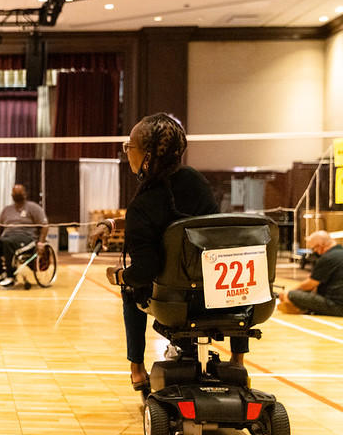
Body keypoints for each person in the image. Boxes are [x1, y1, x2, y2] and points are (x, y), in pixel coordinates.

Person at [89, 113, 248, 395]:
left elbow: (145, 270)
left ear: (147, 155)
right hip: (217, 297)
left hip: (174, 303)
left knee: (129, 287)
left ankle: (137, 370)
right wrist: (113, 223)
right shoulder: (195, 181)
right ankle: (237, 361)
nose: (127, 152)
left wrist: (118, 275)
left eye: (130, 146)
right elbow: (192, 224)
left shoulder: (144, 203)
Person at [0, 184, 49, 287]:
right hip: (7, 237)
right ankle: (0, 274)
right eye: (15, 193)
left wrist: (41, 242)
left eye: (19, 193)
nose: (16, 195)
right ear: (12, 195)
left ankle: (11, 276)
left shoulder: (33, 208)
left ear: (25, 194)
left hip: (26, 238)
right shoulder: (6, 210)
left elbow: (44, 226)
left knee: (8, 243)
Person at [278, 230, 343, 316]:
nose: (314, 251)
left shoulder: (327, 258)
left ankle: (301, 308)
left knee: (292, 294)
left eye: (313, 248)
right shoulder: (339, 252)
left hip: (336, 306)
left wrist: (288, 291)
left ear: (321, 246)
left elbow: (310, 284)